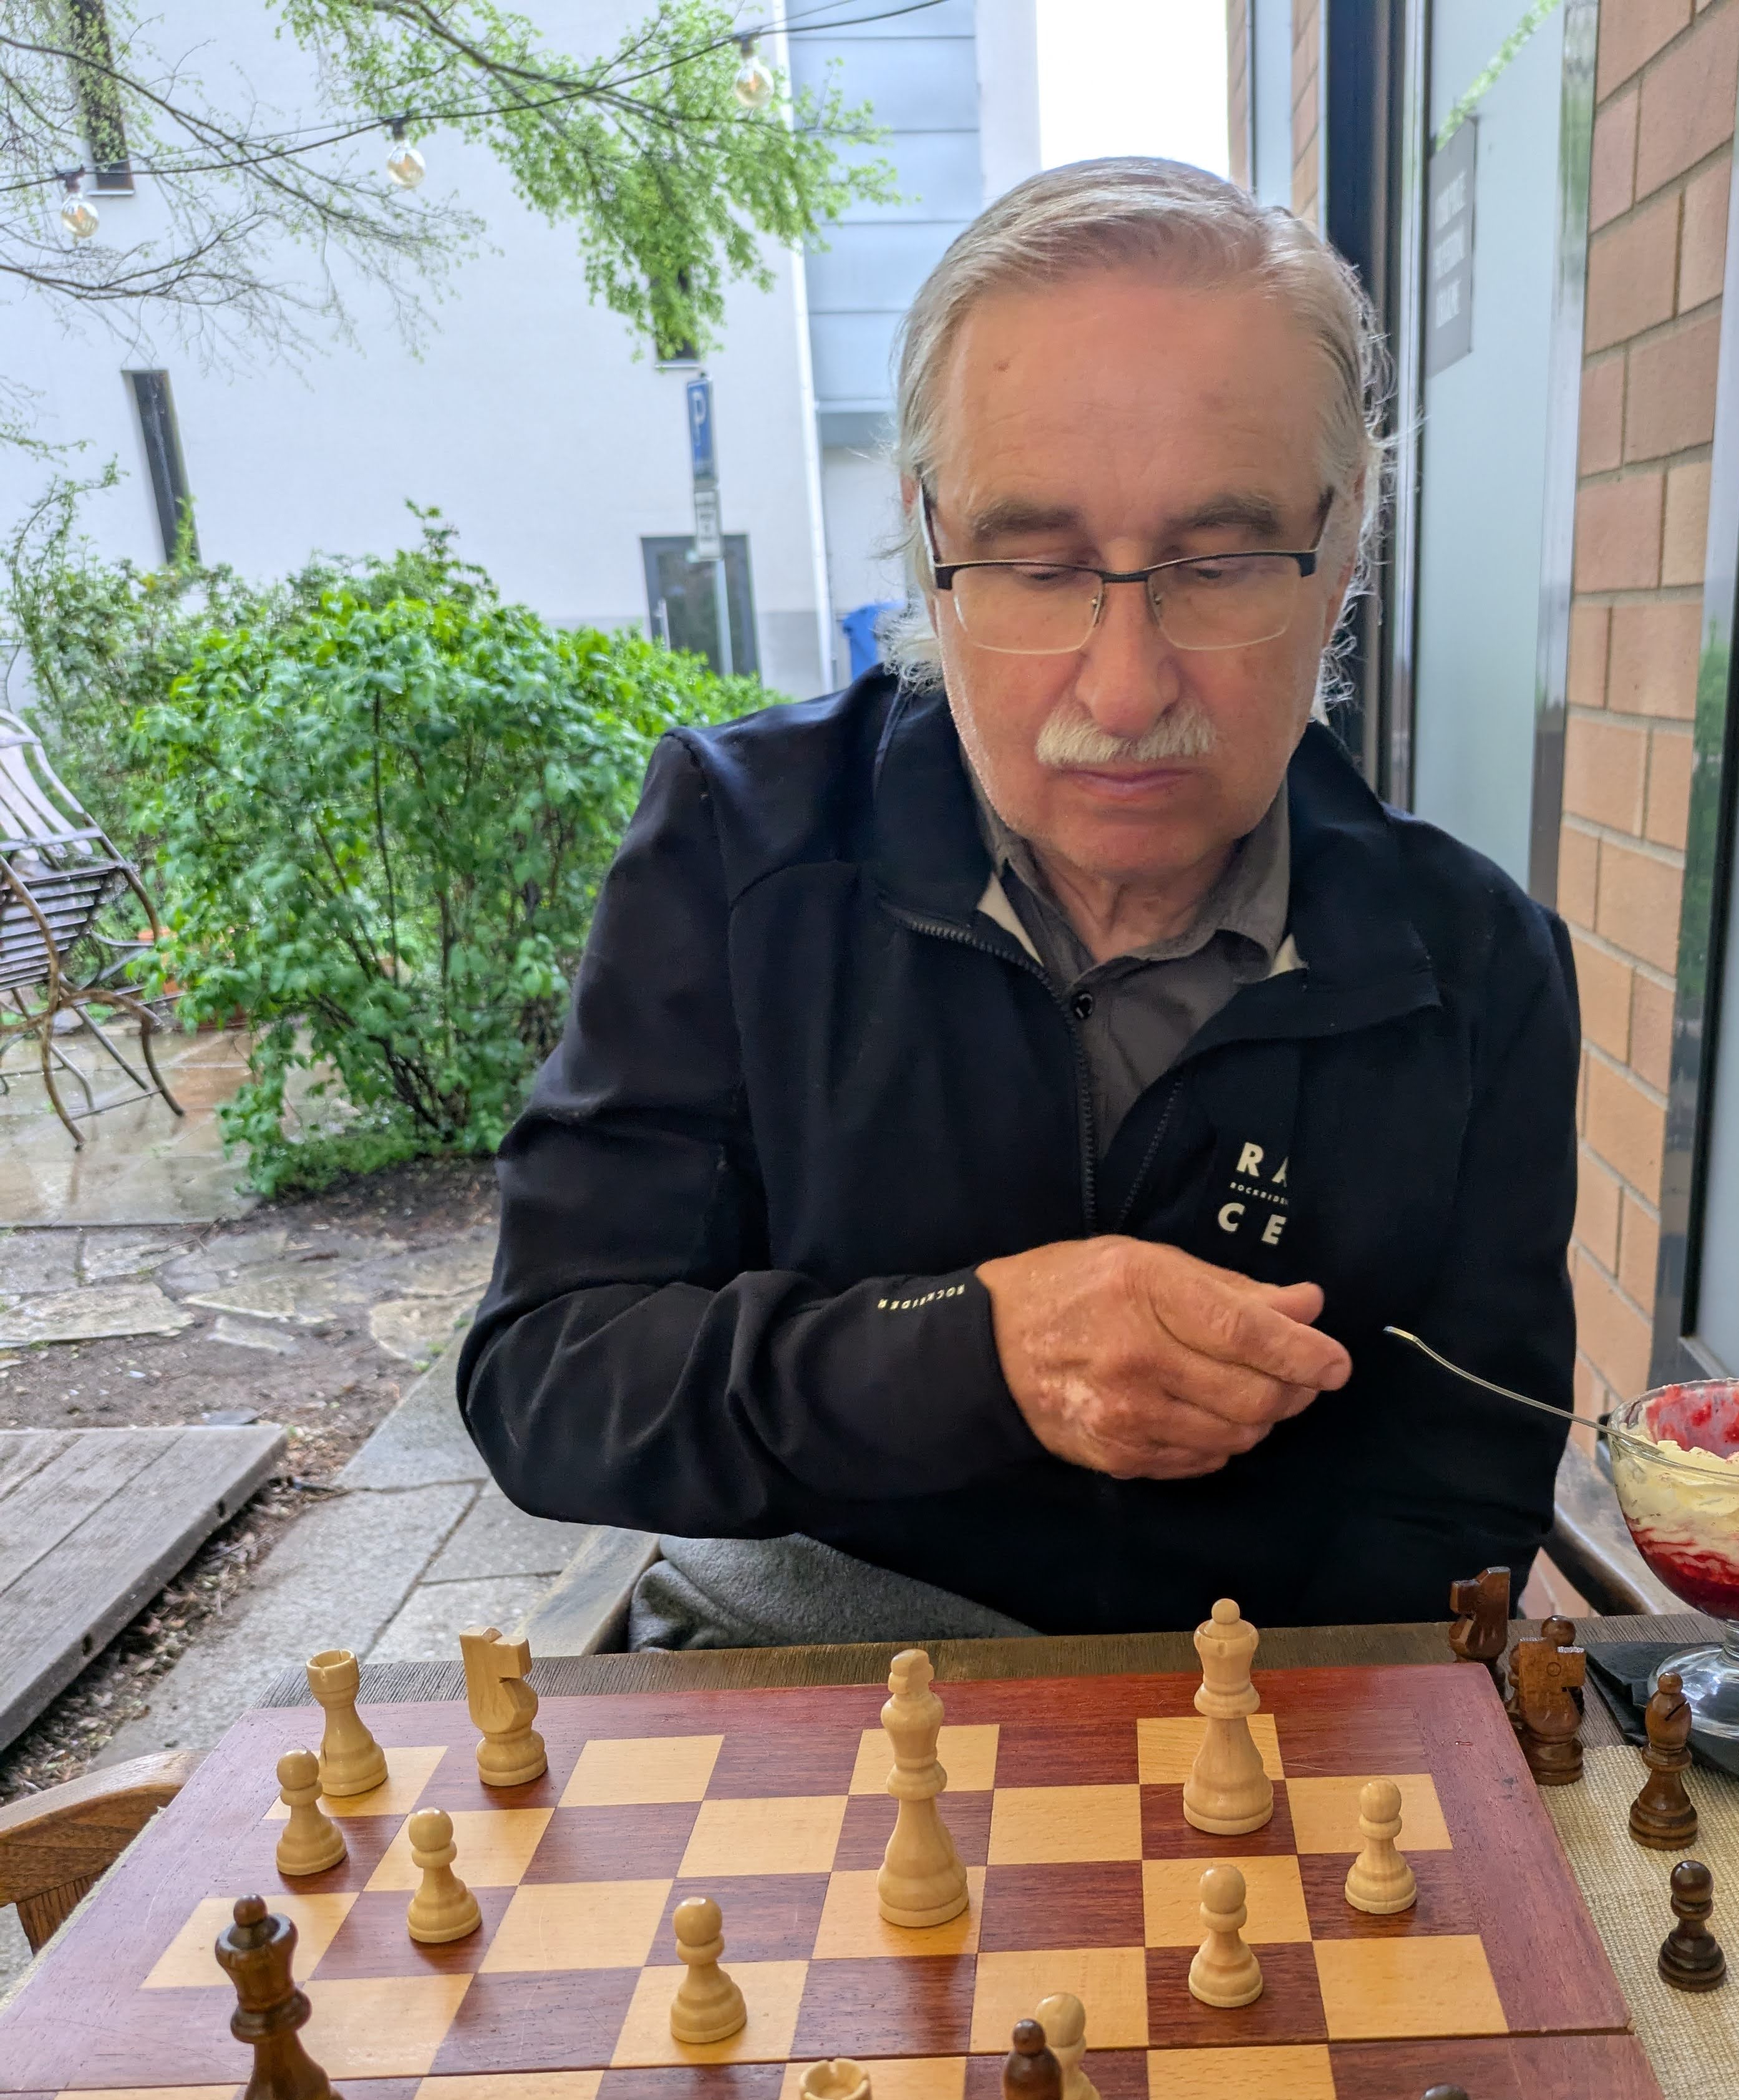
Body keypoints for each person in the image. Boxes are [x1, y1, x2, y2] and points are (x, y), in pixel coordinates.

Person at [458, 158, 1580, 1646]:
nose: (1122, 692)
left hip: (1272, 1695)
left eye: (1220, 560)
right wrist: (971, 1350)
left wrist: (1252, 1747)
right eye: (1035, 567)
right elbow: (546, 1375)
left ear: (1344, 540)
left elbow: (1467, 1481)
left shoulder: (1479, 962)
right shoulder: (739, 848)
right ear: (929, 542)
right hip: (815, 1665)